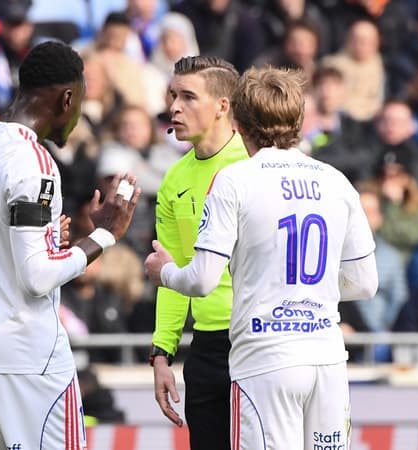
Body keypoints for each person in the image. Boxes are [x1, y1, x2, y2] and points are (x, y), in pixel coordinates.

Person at [0, 41, 140, 450]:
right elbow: (37, 277)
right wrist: (104, 235)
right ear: (67, 98)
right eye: (80, 104)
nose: (77, 116)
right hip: (25, 354)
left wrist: (32, 246)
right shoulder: (33, 161)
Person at [145, 66, 378, 450]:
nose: (175, 106)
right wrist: (301, 290)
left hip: (264, 355)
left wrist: (165, 272)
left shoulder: (236, 179)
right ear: (299, 119)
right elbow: (365, 284)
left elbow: (202, 279)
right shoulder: (336, 180)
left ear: (237, 120)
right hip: (326, 355)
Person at [149, 55, 246, 450]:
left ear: (222, 106)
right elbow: (169, 271)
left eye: (188, 97)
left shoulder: (254, 165)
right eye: (173, 95)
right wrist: (161, 353)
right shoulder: (174, 179)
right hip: (206, 347)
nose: (174, 107)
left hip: (257, 339)